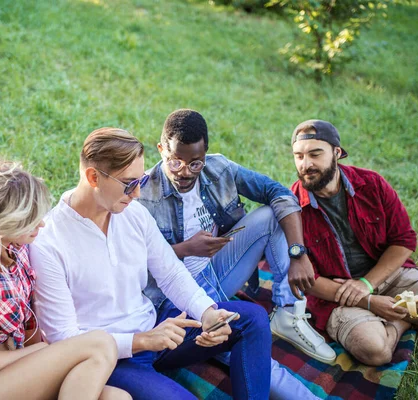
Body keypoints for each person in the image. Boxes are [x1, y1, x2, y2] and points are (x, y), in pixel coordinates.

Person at [31, 128, 273, 400]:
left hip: (156, 328)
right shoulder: (47, 242)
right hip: (110, 358)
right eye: (128, 183)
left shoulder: (133, 213)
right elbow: (63, 339)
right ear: (93, 177)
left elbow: (170, 272)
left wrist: (206, 312)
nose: (136, 194)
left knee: (252, 319)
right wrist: (140, 341)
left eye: (141, 181)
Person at [138, 109, 336, 366]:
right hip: (178, 294)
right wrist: (186, 248)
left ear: (205, 155)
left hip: (219, 271)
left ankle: (287, 312)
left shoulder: (219, 168)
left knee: (271, 213)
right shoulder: (144, 194)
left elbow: (279, 193)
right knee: (252, 358)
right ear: (161, 149)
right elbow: (133, 263)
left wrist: (298, 252)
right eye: (175, 162)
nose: (185, 172)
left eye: (195, 163)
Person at [0, 156, 129, 400]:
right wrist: (40, 351)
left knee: (117, 398)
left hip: (15, 374)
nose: (41, 225)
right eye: (28, 221)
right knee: (100, 343)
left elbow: (29, 325)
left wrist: (40, 351)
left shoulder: (15, 247)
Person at [290, 119, 418, 366]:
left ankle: (395, 314)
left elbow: (404, 240)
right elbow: (307, 281)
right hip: (336, 295)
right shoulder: (291, 209)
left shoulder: (371, 184)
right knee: (375, 351)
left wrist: (366, 284)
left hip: (388, 274)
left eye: (315, 154)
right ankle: (402, 321)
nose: (306, 164)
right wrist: (369, 301)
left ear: (337, 152)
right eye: (299, 156)